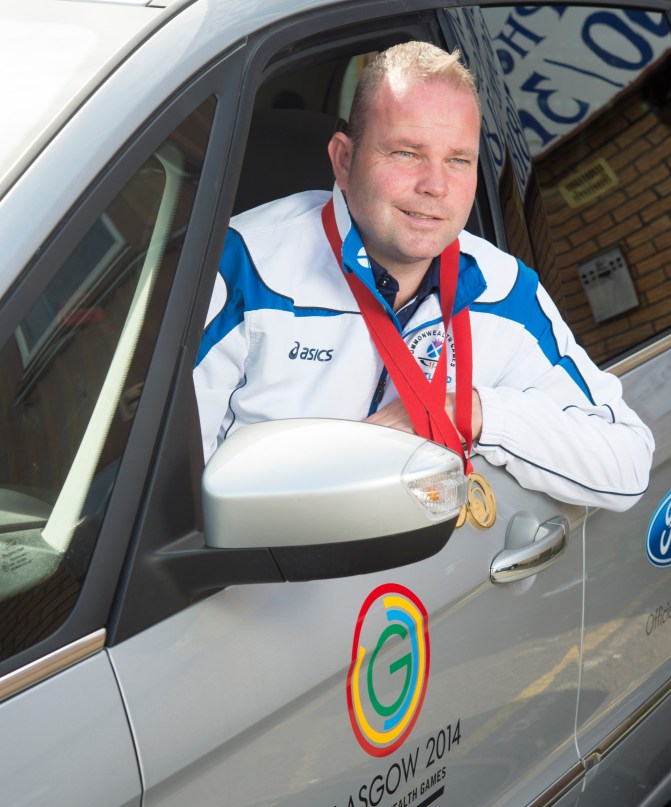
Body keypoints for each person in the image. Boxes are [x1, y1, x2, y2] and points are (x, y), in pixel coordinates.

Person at [194, 41, 653, 511]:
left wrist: (466, 411)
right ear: (344, 161)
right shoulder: (242, 269)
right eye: (407, 153)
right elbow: (176, 511)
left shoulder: (503, 287)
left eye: (458, 160)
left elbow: (627, 463)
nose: (435, 185)